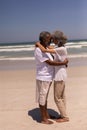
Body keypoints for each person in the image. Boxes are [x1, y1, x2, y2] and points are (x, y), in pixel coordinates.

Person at [34, 31, 68, 124]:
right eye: (49, 39)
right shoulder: (40, 49)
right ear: (44, 39)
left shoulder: (55, 48)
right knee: (44, 97)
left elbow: (48, 50)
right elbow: (49, 62)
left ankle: (55, 115)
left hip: (53, 77)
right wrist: (63, 63)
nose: (51, 41)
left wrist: (63, 63)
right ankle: (44, 118)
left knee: (51, 97)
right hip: (44, 77)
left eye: (52, 39)